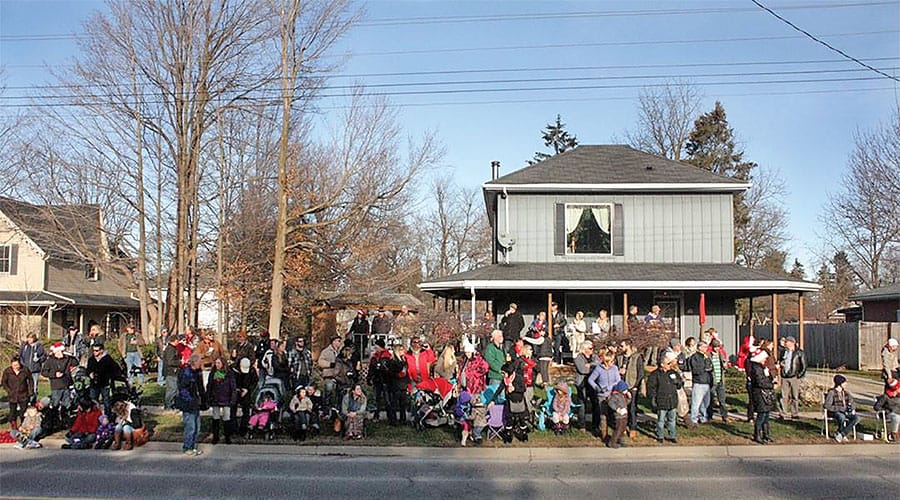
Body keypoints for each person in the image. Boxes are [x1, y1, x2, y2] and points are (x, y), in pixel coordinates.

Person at [648, 351, 683, 444]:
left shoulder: (673, 373)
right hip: (661, 400)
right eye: (668, 363)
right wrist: (653, 398)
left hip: (672, 400)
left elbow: (679, 384)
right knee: (661, 420)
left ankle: (672, 435)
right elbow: (651, 388)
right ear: (662, 364)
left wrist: (677, 381)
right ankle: (660, 435)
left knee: (672, 419)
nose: (670, 365)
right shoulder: (655, 374)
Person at [175, 353, 206, 456]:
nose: (201, 363)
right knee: (190, 426)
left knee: (197, 427)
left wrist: (203, 399)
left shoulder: (198, 373)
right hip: (188, 404)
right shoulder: (186, 373)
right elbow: (183, 389)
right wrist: (190, 400)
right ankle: (187, 447)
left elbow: (200, 388)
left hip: (196, 402)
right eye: (199, 362)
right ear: (194, 362)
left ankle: (192, 446)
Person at [587, 351, 621, 439]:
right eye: (611, 361)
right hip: (602, 396)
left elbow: (618, 381)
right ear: (606, 361)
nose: (613, 363)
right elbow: (590, 380)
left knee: (614, 415)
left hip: (612, 395)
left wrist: (610, 387)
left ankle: (616, 436)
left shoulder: (615, 368)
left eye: (614, 361)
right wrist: (597, 387)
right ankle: (604, 435)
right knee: (603, 415)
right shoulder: (599, 369)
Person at [616, 338, 644, 436]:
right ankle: (622, 427)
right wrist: (619, 371)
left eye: (622, 346)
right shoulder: (619, 358)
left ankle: (633, 428)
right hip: (621, 387)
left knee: (632, 408)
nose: (620, 348)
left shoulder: (637, 357)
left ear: (628, 346)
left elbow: (640, 373)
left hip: (632, 387)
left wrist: (636, 385)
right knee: (622, 409)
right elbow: (615, 370)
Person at [206, 357, 236, 445]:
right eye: (216, 363)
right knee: (216, 418)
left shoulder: (229, 373)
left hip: (226, 398)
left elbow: (233, 386)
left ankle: (227, 436)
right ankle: (216, 436)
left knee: (227, 417)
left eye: (219, 363)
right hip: (215, 398)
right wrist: (209, 397)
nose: (217, 365)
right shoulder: (213, 373)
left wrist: (233, 398)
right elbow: (209, 385)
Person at [748, 348, 776, 444]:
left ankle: (766, 435)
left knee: (766, 415)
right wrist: (772, 385)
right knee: (761, 415)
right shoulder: (756, 368)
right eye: (764, 358)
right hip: (760, 393)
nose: (765, 360)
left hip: (765, 393)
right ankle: (757, 435)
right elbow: (760, 382)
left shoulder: (762, 367)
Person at [41, 342, 77, 416]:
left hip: (66, 385)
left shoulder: (67, 359)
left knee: (67, 404)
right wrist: (54, 375)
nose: (58, 353)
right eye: (57, 352)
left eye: (60, 351)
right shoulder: (50, 360)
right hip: (56, 386)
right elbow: (43, 372)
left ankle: (66, 419)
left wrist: (71, 355)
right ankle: (54, 419)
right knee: (55, 404)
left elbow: (76, 363)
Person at [825, 374, 860, 443]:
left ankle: (841, 434)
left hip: (846, 411)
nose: (846, 384)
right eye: (844, 382)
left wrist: (851, 407)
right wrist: (839, 408)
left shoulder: (846, 393)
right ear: (839, 383)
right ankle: (841, 434)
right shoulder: (832, 393)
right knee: (841, 417)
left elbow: (853, 403)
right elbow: (827, 405)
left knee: (856, 418)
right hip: (835, 412)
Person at [779, 335, 807, 420]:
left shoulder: (799, 352)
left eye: (786, 342)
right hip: (785, 376)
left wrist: (799, 375)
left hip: (794, 376)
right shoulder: (784, 352)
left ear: (791, 343)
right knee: (784, 395)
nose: (785, 343)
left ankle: (794, 413)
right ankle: (783, 413)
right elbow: (781, 360)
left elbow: (804, 365)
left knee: (795, 396)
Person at [86, 343, 122, 407]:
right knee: (93, 401)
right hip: (94, 383)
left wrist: (111, 377)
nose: (94, 352)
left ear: (101, 351)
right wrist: (90, 373)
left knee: (106, 401)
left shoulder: (108, 359)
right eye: (93, 350)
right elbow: (88, 369)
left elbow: (115, 369)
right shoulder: (91, 359)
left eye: (96, 351)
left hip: (104, 383)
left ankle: (107, 415)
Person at [2, 357, 33, 430]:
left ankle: (24, 425)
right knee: (12, 412)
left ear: (19, 364)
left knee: (23, 411)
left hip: (23, 394)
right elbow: (4, 382)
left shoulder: (25, 370)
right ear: (11, 365)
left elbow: (30, 380)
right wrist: (8, 390)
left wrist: (30, 390)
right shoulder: (7, 371)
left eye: (17, 365)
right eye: (14, 365)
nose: (15, 367)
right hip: (12, 395)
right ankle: (14, 426)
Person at [688, 340, 713, 426]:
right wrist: (704, 368)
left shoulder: (706, 357)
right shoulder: (695, 357)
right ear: (699, 347)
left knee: (705, 402)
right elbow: (695, 370)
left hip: (706, 382)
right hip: (699, 382)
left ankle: (703, 417)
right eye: (704, 347)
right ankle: (693, 419)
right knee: (696, 402)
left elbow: (710, 367)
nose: (706, 349)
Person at [573, 341, 597, 430]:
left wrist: (590, 365)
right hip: (582, 383)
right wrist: (593, 368)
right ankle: (582, 425)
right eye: (590, 348)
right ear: (584, 349)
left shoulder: (594, 357)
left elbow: (599, 365)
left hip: (592, 383)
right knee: (582, 403)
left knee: (595, 403)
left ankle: (595, 424)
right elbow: (582, 369)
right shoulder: (578, 358)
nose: (592, 350)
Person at [231, 357, 258, 435]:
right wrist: (236, 389)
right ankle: (234, 430)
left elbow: (255, 382)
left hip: (246, 392)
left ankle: (243, 429)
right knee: (232, 411)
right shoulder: (233, 370)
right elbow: (230, 381)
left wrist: (247, 389)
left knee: (246, 411)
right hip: (235, 392)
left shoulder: (252, 370)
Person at [367, 339, 392, 421]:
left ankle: (390, 416)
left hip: (385, 380)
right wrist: (369, 378)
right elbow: (371, 368)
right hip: (376, 380)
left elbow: (388, 369)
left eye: (376, 346)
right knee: (377, 399)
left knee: (387, 399)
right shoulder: (374, 356)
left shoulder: (387, 356)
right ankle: (376, 415)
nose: (375, 347)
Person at [386, 344, 410, 425]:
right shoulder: (393, 361)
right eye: (401, 350)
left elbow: (407, 373)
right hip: (396, 385)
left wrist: (407, 383)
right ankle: (393, 420)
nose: (403, 351)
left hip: (403, 384)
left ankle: (403, 419)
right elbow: (390, 373)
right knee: (394, 404)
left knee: (403, 404)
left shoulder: (404, 360)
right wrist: (398, 374)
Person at [708, 338, 730, 423]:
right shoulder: (709, 355)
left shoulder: (721, 355)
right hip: (713, 380)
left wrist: (725, 365)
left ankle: (725, 416)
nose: (717, 349)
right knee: (711, 400)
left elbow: (725, 366)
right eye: (715, 347)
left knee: (722, 400)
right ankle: (709, 415)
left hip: (720, 380)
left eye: (718, 347)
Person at [317, 336, 342, 410]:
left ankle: (336, 408)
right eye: (338, 341)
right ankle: (326, 408)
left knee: (338, 393)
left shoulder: (340, 351)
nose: (339, 343)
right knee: (328, 391)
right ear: (333, 341)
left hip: (338, 376)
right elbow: (320, 362)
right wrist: (330, 364)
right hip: (329, 375)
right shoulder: (326, 351)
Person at [873, 378, 899, 443]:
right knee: (897, 417)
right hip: (888, 413)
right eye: (897, 390)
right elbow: (876, 407)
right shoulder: (885, 397)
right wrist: (885, 410)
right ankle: (893, 434)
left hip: (898, 412)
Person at [18, 333, 45, 398]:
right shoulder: (24, 346)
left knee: (34, 387)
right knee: (24, 386)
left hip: (35, 370)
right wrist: (22, 364)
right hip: (25, 370)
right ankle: (24, 401)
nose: (29, 339)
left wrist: (38, 359)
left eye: (30, 338)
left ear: (34, 338)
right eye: (28, 338)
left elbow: (44, 356)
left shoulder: (39, 346)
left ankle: (33, 401)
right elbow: (20, 356)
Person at [606, 380, 631, 449]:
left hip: (624, 415)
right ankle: (612, 442)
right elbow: (610, 403)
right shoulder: (615, 396)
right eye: (625, 389)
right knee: (618, 429)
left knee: (623, 428)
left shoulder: (623, 396)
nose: (627, 391)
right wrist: (617, 409)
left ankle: (621, 440)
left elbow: (627, 403)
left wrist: (629, 397)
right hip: (618, 416)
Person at [162, 334, 182, 409]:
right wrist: (179, 362)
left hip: (173, 372)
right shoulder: (170, 349)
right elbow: (170, 361)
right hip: (170, 372)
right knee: (172, 389)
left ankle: (173, 404)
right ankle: (168, 405)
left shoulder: (172, 348)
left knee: (175, 389)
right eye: (178, 340)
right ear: (175, 340)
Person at [550, 302, 568, 366]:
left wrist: (559, 325)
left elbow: (565, 322)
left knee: (557, 347)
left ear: (556, 306)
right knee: (551, 347)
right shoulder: (549, 314)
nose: (552, 307)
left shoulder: (560, 314)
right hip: (551, 333)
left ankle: (557, 361)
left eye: (553, 306)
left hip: (558, 333)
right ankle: (552, 360)